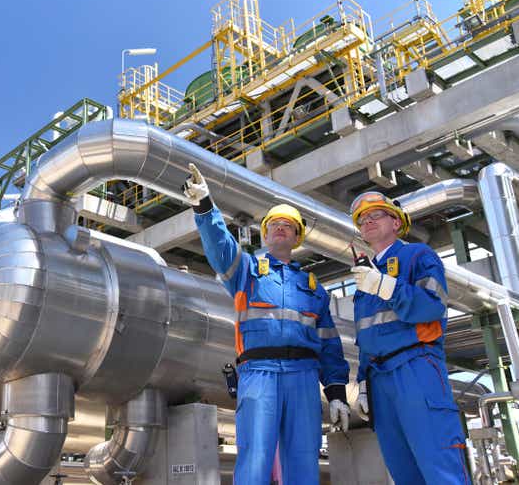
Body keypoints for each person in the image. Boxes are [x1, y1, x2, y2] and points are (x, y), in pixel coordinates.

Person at [183, 163, 350, 485]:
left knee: (303, 457)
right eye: (274, 224)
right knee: (255, 456)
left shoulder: (314, 288)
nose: (280, 228)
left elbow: (330, 345)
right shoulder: (246, 270)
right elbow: (221, 249)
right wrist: (204, 206)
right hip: (259, 373)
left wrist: (338, 393)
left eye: (288, 225)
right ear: (265, 232)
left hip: (303, 376)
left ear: (297, 237)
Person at [349, 191, 470, 484]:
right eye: (362, 220)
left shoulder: (418, 255)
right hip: (378, 380)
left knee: (439, 464)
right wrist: (363, 381)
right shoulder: (364, 279)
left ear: (396, 222)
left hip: (416, 366)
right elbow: (367, 334)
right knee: (403, 470)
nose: (368, 222)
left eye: (375, 215)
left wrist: (386, 286)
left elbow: (431, 305)